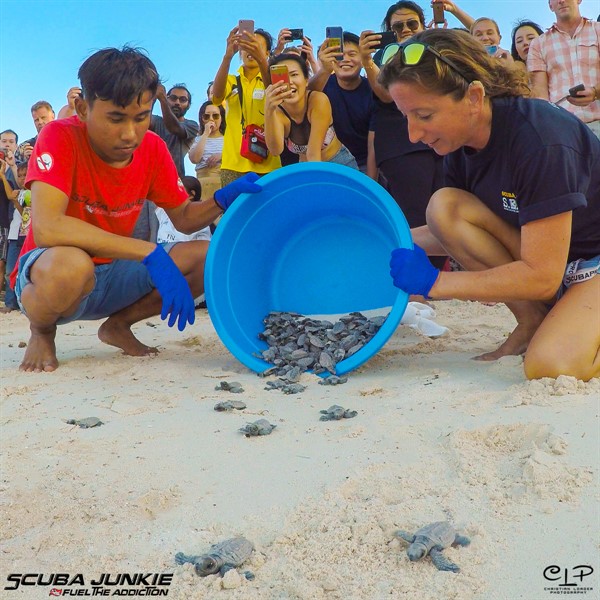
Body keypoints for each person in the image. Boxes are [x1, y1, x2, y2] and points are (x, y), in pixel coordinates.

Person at [9, 46, 261, 373]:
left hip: (116, 270)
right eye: (115, 118)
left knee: (207, 256)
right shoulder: (60, 135)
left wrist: (221, 200)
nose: (130, 134)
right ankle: (42, 331)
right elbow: (47, 229)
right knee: (72, 264)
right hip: (53, 273)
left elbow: (184, 219)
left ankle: (118, 326)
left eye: (141, 118)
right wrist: (149, 253)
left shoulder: (153, 148)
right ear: (83, 109)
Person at [379, 29, 600, 381]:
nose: (413, 135)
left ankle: (571, 322)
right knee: (444, 207)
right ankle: (533, 322)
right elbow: (453, 230)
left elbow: (542, 276)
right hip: (555, 264)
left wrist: (435, 284)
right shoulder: (462, 147)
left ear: (473, 96)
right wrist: (378, 240)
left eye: (423, 115)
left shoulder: (539, 136)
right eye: (406, 116)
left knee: (553, 365)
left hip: (589, 263)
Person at [212, 25, 281, 186]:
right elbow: (216, 96)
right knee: (236, 209)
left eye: (255, 46)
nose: (250, 50)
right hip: (233, 163)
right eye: (246, 46)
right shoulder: (232, 80)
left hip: (269, 163)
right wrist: (227, 57)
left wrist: (263, 62)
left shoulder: (274, 77)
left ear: (267, 53)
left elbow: (277, 93)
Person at [264, 53, 358, 167]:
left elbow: (313, 153)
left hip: (340, 163)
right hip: (306, 166)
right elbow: (275, 150)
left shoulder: (318, 100)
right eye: (282, 77)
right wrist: (269, 110)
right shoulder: (278, 112)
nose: (289, 82)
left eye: (294, 74)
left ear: (306, 80)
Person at [527, 0, 600, 138]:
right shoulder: (538, 44)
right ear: (550, 6)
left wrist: (595, 92)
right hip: (563, 131)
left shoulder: (598, 30)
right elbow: (540, 96)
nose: (561, 1)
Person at [310, 31, 376, 174]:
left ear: (363, 59)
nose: (345, 59)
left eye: (352, 54)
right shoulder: (324, 84)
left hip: (364, 163)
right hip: (330, 161)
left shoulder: (371, 90)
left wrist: (370, 183)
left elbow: (373, 145)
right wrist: (324, 70)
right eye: (339, 55)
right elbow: (305, 99)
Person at [150, 83, 199, 178]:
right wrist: (153, 98)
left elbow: (175, 128)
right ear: (167, 99)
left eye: (183, 100)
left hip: (174, 178)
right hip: (151, 176)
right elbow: (143, 121)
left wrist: (162, 99)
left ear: (188, 105)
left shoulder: (192, 125)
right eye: (173, 98)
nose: (177, 102)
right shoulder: (156, 121)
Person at [2, 161, 28, 312]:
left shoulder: (34, 192)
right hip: (15, 234)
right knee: (10, 270)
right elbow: (9, 195)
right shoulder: (20, 192)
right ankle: (10, 303)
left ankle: (23, 302)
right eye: (19, 176)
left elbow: (22, 209)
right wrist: (3, 177)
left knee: (25, 271)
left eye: (25, 175)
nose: (22, 178)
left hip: (28, 236)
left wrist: (15, 199)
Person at [188, 100, 225, 201]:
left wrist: (222, 155)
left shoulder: (228, 139)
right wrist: (205, 134)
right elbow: (195, 159)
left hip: (223, 183)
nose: (211, 119)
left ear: (222, 117)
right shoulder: (197, 139)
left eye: (216, 116)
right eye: (206, 116)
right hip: (202, 184)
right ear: (202, 119)